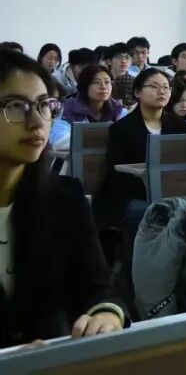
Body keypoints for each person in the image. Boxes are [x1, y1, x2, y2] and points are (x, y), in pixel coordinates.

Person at [0, 49, 128, 347]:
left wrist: (107, 314)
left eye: (44, 105)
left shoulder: (65, 197)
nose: (36, 121)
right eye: (16, 106)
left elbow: (97, 286)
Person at [92, 68, 186, 298]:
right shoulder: (122, 129)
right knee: (144, 213)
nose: (162, 92)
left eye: (166, 87)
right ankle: (133, 283)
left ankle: (179, 283)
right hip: (126, 197)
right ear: (137, 92)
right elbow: (116, 175)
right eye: (154, 87)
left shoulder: (178, 126)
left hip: (168, 194)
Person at [105, 42, 137, 107]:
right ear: (109, 61)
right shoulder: (103, 81)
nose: (124, 61)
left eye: (127, 57)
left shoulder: (135, 82)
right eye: (119, 57)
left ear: (131, 60)